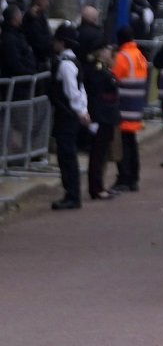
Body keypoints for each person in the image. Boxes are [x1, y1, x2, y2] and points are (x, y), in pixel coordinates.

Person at [77, 26, 120, 201]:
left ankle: (100, 185)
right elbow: (102, 92)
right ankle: (96, 188)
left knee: (102, 155)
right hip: (101, 116)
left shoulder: (102, 69)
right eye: (104, 49)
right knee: (97, 154)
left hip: (107, 116)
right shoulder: (95, 71)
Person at [47, 25, 87, 209]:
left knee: (67, 156)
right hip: (71, 114)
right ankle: (72, 193)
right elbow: (80, 90)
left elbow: (72, 92)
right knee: (68, 155)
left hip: (66, 115)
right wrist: (83, 110)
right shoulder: (74, 61)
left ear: (61, 42)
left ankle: (72, 195)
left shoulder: (65, 64)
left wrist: (80, 111)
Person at [111, 27, 148, 193]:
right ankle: (134, 178)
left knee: (123, 146)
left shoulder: (122, 57)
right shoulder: (139, 55)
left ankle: (124, 178)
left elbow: (114, 78)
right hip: (136, 107)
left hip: (124, 107)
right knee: (131, 144)